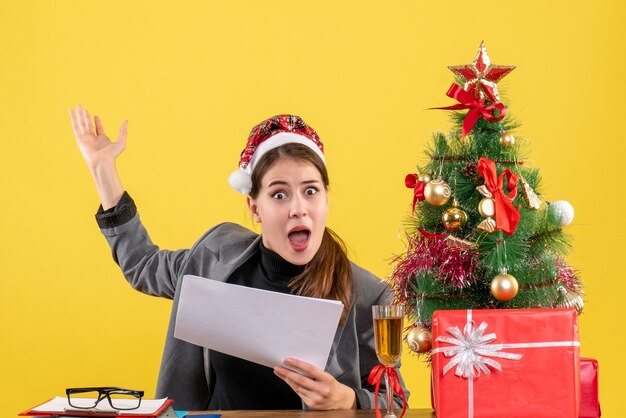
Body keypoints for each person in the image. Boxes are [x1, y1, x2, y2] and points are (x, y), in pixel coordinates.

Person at [69, 105, 409, 411]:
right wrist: (103, 170)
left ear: (325, 198)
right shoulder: (214, 257)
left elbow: (394, 400)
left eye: (310, 190)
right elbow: (143, 265)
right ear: (254, 207)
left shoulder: (367, 294)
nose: (298, 209)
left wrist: (347, 399)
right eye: (279, 194)